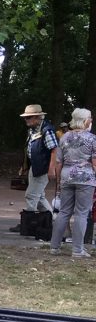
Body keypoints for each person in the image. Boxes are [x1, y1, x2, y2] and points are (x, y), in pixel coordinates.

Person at [49, 108, 96, 258]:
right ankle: (77, 250)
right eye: (90, 118)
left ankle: (54, 247)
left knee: (64, 212)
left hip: (66, 176)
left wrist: (59, 180)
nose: (91, 120)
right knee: (81, 213)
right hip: (86, 178)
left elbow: (59, 162)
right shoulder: (92, 139)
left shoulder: (64, 137)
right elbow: (95, 162)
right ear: (85, 121)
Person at [10, 104, 59, 231]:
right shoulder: (33, 130)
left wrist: (51, 168)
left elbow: (54, 150)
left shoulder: (47, 130)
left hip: (42, 168)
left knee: (31, 195)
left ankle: (28, 223)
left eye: (29, 117)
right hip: (35, 166)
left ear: (38, 117)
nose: (26, 120)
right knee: (39, 196)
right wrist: (25, 166)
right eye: (25, 117)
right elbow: (30, 149)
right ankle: (51, 222)